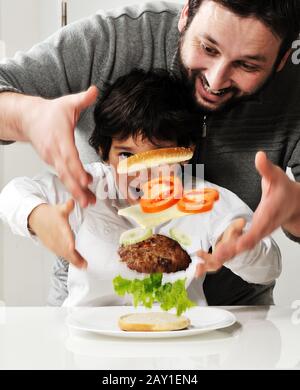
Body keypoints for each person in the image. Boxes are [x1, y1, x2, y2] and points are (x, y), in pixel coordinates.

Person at [0, 0, 299, 305]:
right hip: (85, 332)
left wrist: (250, 241)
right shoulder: (90, 187)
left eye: (248, 64)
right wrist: (36, 213)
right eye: (208, 48)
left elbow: (267, 265)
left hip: (206, 332)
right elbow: (13, 194)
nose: (216, 80)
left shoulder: (205, 200)